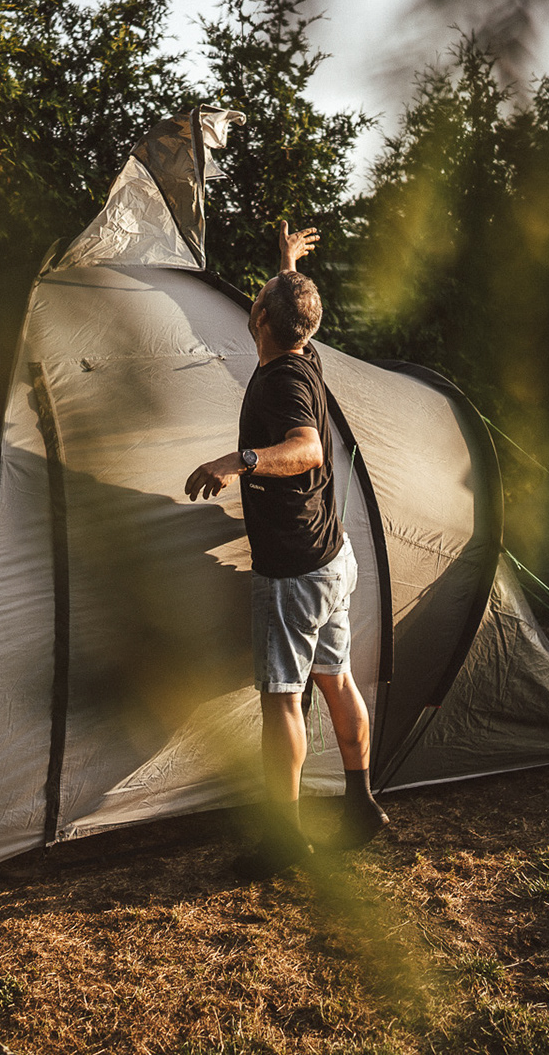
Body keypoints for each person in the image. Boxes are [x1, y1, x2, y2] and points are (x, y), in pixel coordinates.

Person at [184, 220, 390, 878]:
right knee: (336, 678)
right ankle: (360, 804)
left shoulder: (283, 383)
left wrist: (238, 460)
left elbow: (305, 449)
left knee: (281, 698)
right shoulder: (304, 354)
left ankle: (283, 839)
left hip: (294, 570)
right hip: (331, 556)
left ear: (262, 320)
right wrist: (287, 263)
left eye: (259, 300)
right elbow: (294, 306)